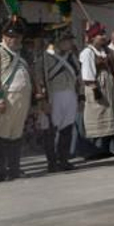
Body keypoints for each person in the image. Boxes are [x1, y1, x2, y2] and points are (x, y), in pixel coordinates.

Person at [0, 15, 33, 181]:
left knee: (16, 135)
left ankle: (14, 169)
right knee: (1, 136)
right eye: (11, 36)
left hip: (21, 100)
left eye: (18, 36)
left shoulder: (21, 53)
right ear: (4, 36)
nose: (15, 39)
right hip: (6, 99)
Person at [78, 22, 114, 159]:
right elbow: (87, 73)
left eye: (103, 34)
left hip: (107, 85)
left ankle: (104, 148)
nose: (103, 37)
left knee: (108, 116)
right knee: (96, 116)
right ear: (93, 37)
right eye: (100, 34)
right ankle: (92, 150)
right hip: (96, 86)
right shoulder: (88, 52)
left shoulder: (105, 51)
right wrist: (95, 89)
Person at [41, 30, 79, 172]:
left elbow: (78, 76)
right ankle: (52, 162)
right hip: (54, 95)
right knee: (50, 130)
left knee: (67, 129)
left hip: (69, 94)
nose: (69, 43)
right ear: (58, 42)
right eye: (66, 40)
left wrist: (80, 96)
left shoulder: (71, 56)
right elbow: (40, 79)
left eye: (70, 40)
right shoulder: (46, 57)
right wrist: (43, 100)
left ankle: (64, 159)